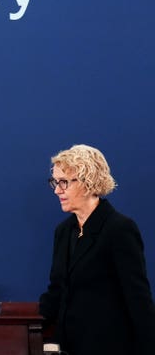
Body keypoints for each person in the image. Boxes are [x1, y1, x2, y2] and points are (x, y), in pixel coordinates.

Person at [39, 144, 155, 355]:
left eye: (64, 182)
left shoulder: (119, 229)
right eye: (55, 182)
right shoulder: (64, 231)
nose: (57, 190)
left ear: (87, 182)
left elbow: (137, 298)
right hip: (67, 347)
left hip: (109, 347)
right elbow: (57, 291)